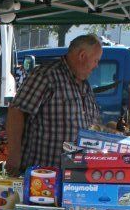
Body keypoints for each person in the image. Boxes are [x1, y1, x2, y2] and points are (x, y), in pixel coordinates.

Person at [6, 34, 103, 175]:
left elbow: (92, 125)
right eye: (96, 60)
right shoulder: (47, 75)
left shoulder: (85, 85)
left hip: (76, 175)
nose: (96, 66)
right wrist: (14, 154)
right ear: (82, 56)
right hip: (43, 174)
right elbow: (17, 111)